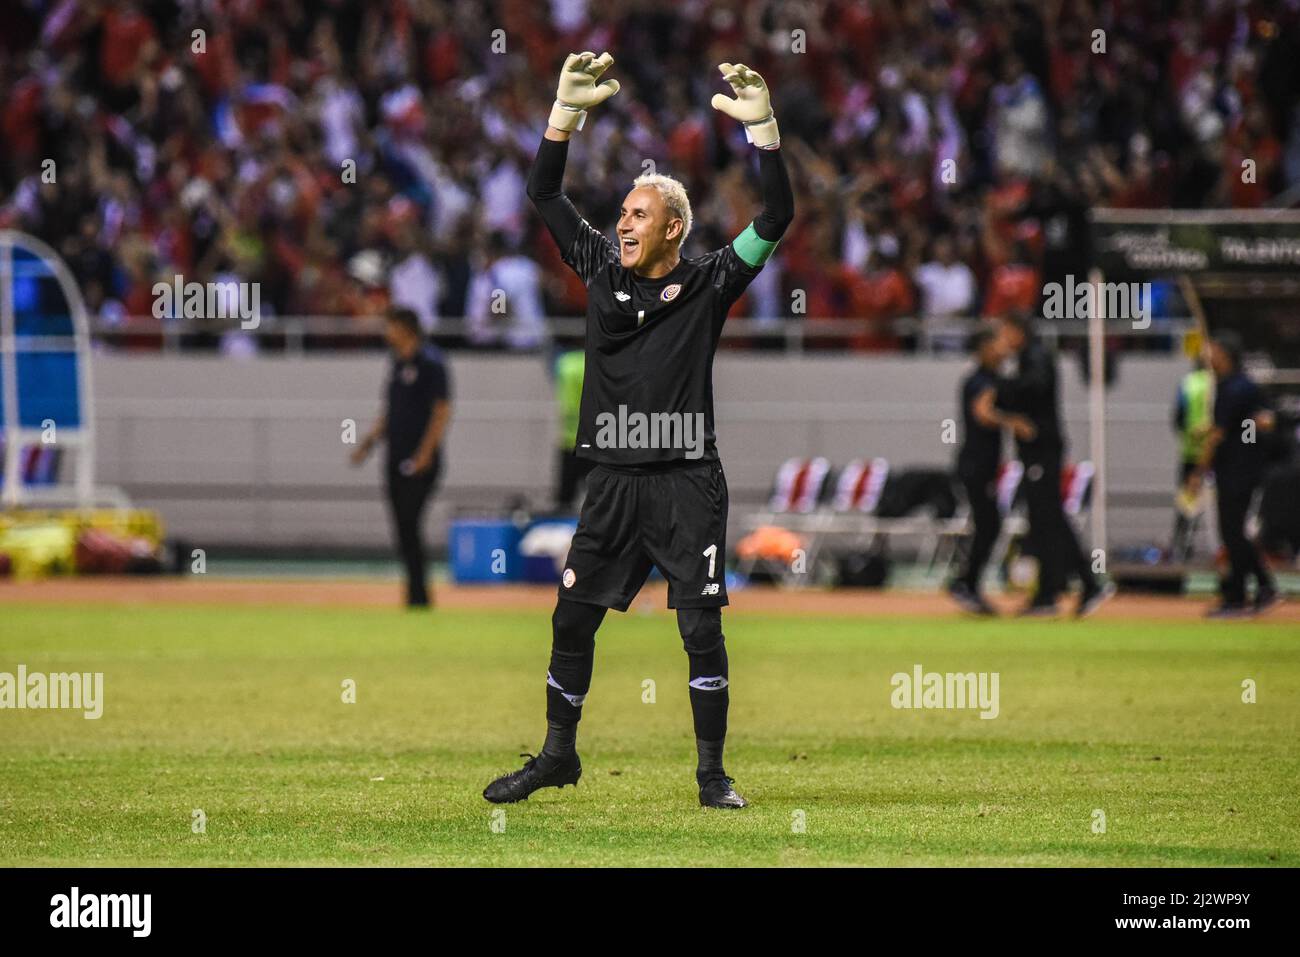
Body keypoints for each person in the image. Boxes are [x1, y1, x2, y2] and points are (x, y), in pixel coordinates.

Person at [482, 53, 793, 809]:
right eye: (621, 211)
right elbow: (544, 190)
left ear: (674, 229)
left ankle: (711, 774)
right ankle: (558, 754)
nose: (622, 220)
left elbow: (775, 218)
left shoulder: (709, 282)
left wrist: (765, 134)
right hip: (614, 481)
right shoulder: (598, 268)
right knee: (571, 616)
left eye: (639, 213)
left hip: (688, 481)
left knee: (697, 627)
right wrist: (563, 117)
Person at [996, 312, 1113, 617]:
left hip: (1042, 450)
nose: (1003, 340)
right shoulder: (1028, 358)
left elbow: (1032, 388)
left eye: (1006, 331)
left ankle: (1068, 587)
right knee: (1046, 520)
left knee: (1048, 520)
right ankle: (1060, 589)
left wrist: (1001, 386)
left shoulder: (1035, 358)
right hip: (1038, 450)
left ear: (1019, 331)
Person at [350, 306, 453, 608]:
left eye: (390, 326)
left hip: (420, 460)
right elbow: (389, 410)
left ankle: (419, 595)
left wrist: (425, 453)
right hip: (394, 456)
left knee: (410, 520)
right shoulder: (397, 363)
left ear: (406, 328)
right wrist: (368, 444)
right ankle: (415, 593)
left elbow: (441, 410)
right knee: (403, 526)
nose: (386, 333)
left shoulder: (431, 362)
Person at [1185, 331, 1280, 618]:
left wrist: (1197, 472)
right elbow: (1263, 419)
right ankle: (1258, 588)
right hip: (1242, 469)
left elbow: (1221, 434)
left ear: (1224, 354)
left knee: (1232, 532)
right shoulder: (1243, 386)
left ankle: (1240, 596)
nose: (1207, 356)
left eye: (1212, 351)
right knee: (1234, 532)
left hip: (1237, 471)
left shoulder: (1232, 389)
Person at [947, 325, 1034, 615]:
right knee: (989, 524)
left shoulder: (992, 378)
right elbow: (982, 412)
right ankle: (965, 582)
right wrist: (1014, 422)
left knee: (987, 524)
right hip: (976, 463)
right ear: (984, 348)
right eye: (997, 343)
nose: (1003, 347)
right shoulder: (980, 380)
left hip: (983, 464)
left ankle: (967, 582)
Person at [1170, 344, 1213, 561]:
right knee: (1218, 508)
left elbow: (1177, 418)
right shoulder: (1218, 383)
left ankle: (1180, 551)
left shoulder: (1187, 383)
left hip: (1191, 454)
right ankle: (1220, 552)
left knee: (1186, 506)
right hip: (1216, 455)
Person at [551, 346, 593, 510]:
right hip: (594, 439)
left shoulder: (564, 363)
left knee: (565, 497)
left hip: (570, 438)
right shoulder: (598, 360)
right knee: (599, 495)